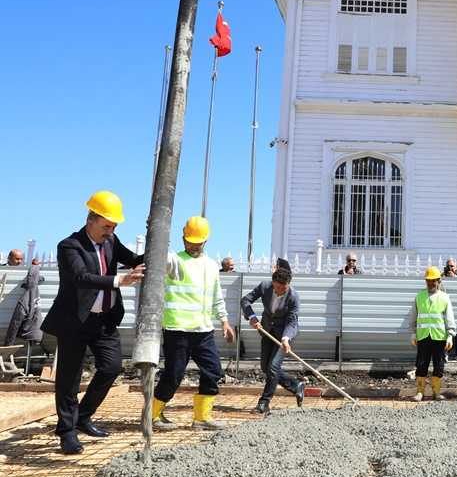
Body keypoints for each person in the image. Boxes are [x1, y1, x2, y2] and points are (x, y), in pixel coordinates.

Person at [41, 191, 145, 455]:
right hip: (75, 321)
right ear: (91, 219)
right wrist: (118, 280)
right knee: (69, 379)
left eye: (114, 227)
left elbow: (133, 259)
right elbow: (80, 277)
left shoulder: (112, 241)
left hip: (105, 321)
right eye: (106, 226)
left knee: (111, 368)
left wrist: (157, 250)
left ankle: (83, 416)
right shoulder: (69, 246)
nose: (110, 231)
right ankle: (67, 432)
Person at [151, 217, 235, 432]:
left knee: (214, 371)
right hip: (177, 330)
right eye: (189, 241)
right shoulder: (175, 261)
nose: (193, 245)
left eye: (197, 242)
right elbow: (158, 256)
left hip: (203, 331)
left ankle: (202, 417)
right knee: (174, 374)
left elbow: (216, 297)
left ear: (205, 241)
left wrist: (224, 321)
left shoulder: (211, 266)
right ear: (183, 238)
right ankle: (153, 415)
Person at [241, 266, 305, 415]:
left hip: (284, 335)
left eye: (283, 289)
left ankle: (264, 403)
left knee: (273, 367)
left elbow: (292, 322)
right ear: (273, 282)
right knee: (265, 367)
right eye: (277, 288)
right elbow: (245, 301)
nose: (279, 291)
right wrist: (252, 317)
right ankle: (296, 385)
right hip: (266, 331)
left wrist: (285, 338)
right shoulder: (265, 287)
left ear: (288, 284)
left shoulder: (294, 297)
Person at [408, 266, 456, 401]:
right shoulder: (419, 296)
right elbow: (413, 316)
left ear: (438, 281)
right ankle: (420, 392)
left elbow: (449, 317)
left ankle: (436, 392)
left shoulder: (445, 298)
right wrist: (413, 333)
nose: (430, 283)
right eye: (428, 281)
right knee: (421, 364)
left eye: (433, 281)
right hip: (423, 336)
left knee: (438, 365)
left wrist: (450, 335)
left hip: (439, 337)